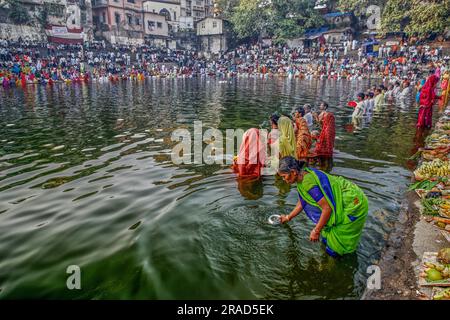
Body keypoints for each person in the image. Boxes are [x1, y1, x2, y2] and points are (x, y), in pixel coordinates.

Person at [278, 156, 369, 257]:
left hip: (352, 204)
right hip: (347, 196)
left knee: (336, 248)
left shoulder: (307, 183)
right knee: (326, 238)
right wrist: (288, 217)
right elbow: (302, 202)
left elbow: (327, 208)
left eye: (284, 176)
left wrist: (316, 231)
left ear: (294, 172)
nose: (283, 180)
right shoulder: (304, 175)